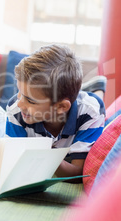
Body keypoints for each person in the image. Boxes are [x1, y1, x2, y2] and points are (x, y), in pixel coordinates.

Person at [6, 44, 105, 178]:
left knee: (99, 106)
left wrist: (45, 153)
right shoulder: (15, 109)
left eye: (30, 100)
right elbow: (13, 162)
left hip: (84, 106)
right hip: (64, 102)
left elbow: (78, 173)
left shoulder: (90, 112)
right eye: (19, 92)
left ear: (61, 107)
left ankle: (97, 88)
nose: (20, 104)